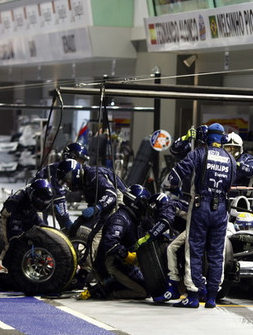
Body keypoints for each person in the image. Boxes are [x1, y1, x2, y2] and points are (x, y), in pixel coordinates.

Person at [164, 122, 235, 309]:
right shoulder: (230, 158)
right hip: (221, 210)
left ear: (206, 137)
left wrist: (173, 188)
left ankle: (193, 295)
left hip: (200, 206)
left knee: (194, 250)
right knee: (216, 253)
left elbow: (173, 178)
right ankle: (212, 297)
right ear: (222, 138)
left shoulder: (199, 153)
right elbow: (231, 183)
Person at [87, 184, 154, 300]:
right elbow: (110, 243)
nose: (146, 207)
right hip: (111, 264)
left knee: (151, 286)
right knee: (144, 291)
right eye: (144, 203)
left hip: (124, 264)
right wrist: (128, 256)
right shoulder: (120, 219)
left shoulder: (135, 219)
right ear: (136, 203)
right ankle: (107, 292)